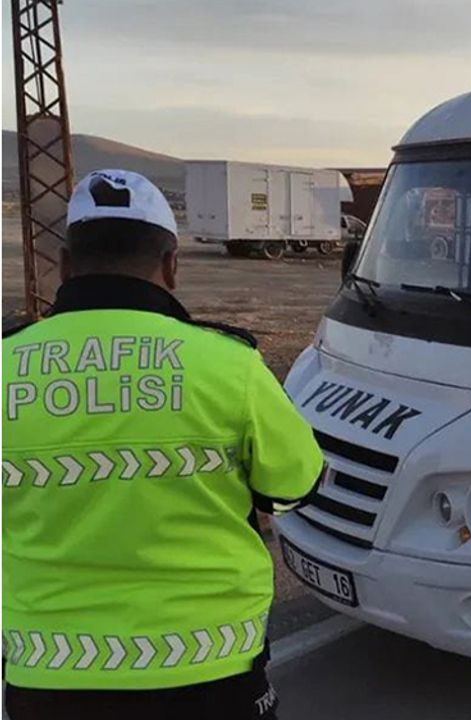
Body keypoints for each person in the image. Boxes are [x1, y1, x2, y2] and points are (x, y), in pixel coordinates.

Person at [2, 170, 325, 719]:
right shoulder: (230, 365)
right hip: (212, 669)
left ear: (65, 264)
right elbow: (297, 484)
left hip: (48, 675)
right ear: (171, 265)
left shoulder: (6, 366)